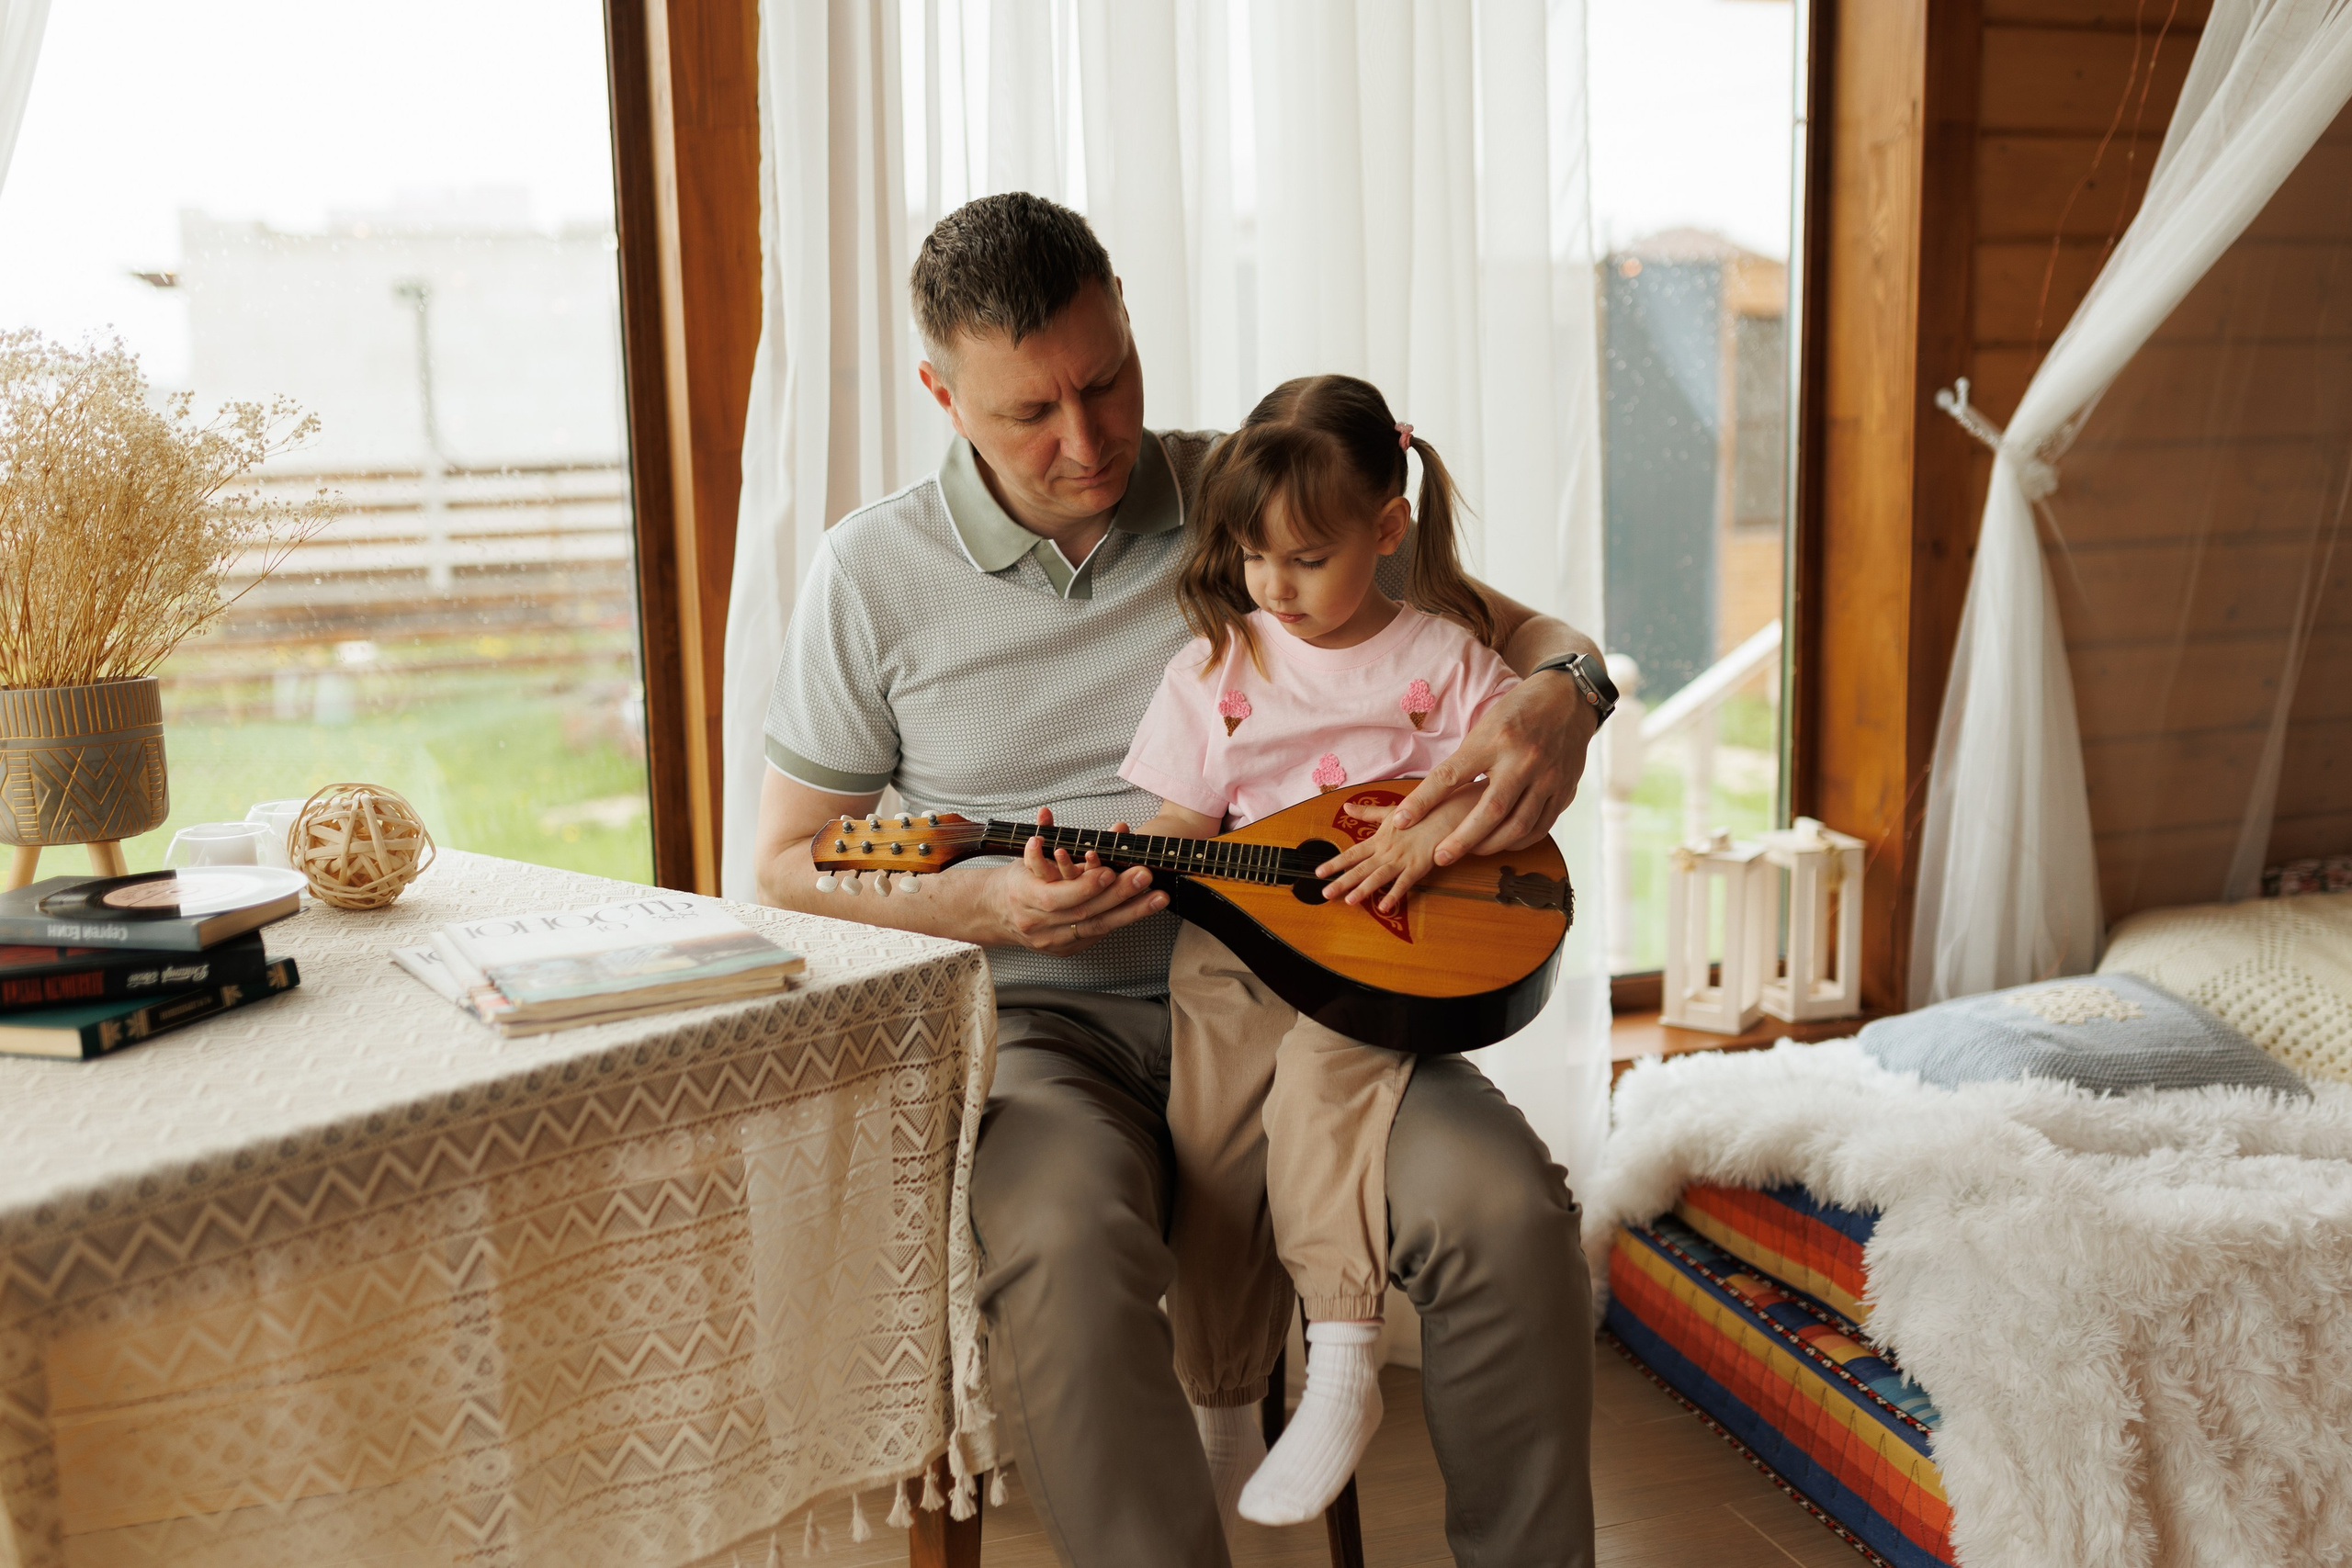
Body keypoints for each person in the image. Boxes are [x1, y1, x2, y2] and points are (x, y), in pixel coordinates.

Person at [753, 192, 1604, 1567]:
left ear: (1133, 321)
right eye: (1028, 411)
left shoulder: (1250, 490)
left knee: (1505, 1207)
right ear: (941, 393)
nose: (1084, 440)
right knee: (1064, 1242)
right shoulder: (873, 571)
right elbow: (788, 860)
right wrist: (975, 902)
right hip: (1045, 1027)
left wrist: (1568, 693)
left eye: (1106, 382)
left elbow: (1506, 628)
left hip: (1330, 989)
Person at [1104, 371, 1523, 1529]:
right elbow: (1184, 827)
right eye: (1251, 557)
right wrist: (1104, 861)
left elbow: (1512, 805)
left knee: (1319, 1105)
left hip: (1377, 961)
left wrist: (1428, 837)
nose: (1272, 588)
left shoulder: (1445, 663)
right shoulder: (1217, 668)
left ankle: (1343, 1356)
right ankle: (1222, 1407)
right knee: (1213, 1149)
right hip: (1234, 959)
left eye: (1305, 558)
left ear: (1386, 529)